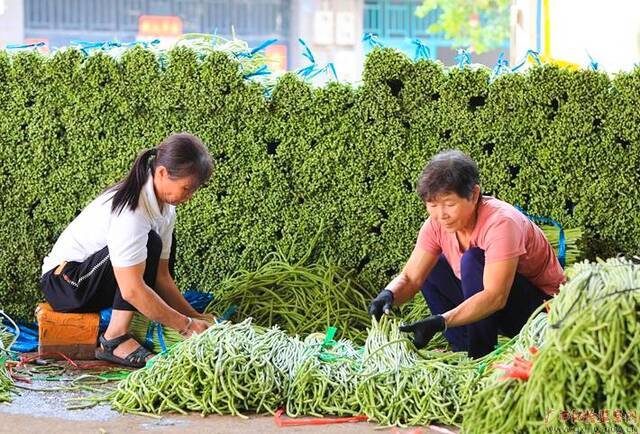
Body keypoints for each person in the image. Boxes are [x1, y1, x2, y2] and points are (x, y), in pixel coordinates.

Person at [40, 132, 215, 367]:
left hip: (93, 282)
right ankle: (114, 339)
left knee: (151, 244)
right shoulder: (132, 210)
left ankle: (118, 333)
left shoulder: (166, 210)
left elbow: (162, 277)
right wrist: (186, 326)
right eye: (186, 188)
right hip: (65, 282)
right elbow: (132, 290)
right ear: (162, 173)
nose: (190, 197)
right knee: (148, 243)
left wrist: (195, 316)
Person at [368, 150, 565, 358]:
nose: (441, 215)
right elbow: (411, 277)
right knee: (433, 266)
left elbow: (495, 296)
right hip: (493, 308)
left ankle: (479, 355)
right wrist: (388, 295)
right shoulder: (435, 225)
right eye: (433, 205)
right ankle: (461, 350)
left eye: (449, 204)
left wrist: (442, 321)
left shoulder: (501, 222)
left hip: (542, 312)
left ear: (474, 194)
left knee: (472, 260)